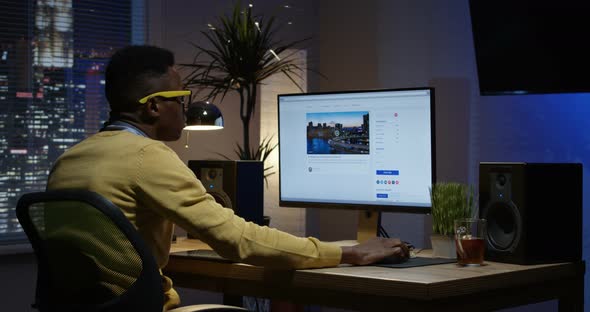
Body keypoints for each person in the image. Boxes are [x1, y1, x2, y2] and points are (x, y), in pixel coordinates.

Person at [47, 45, 409, 310]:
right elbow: (237, 240)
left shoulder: (70, 159)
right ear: (154, 106)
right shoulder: (148, 155)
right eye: (181, 97)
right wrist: (348, 253)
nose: (186, 107)